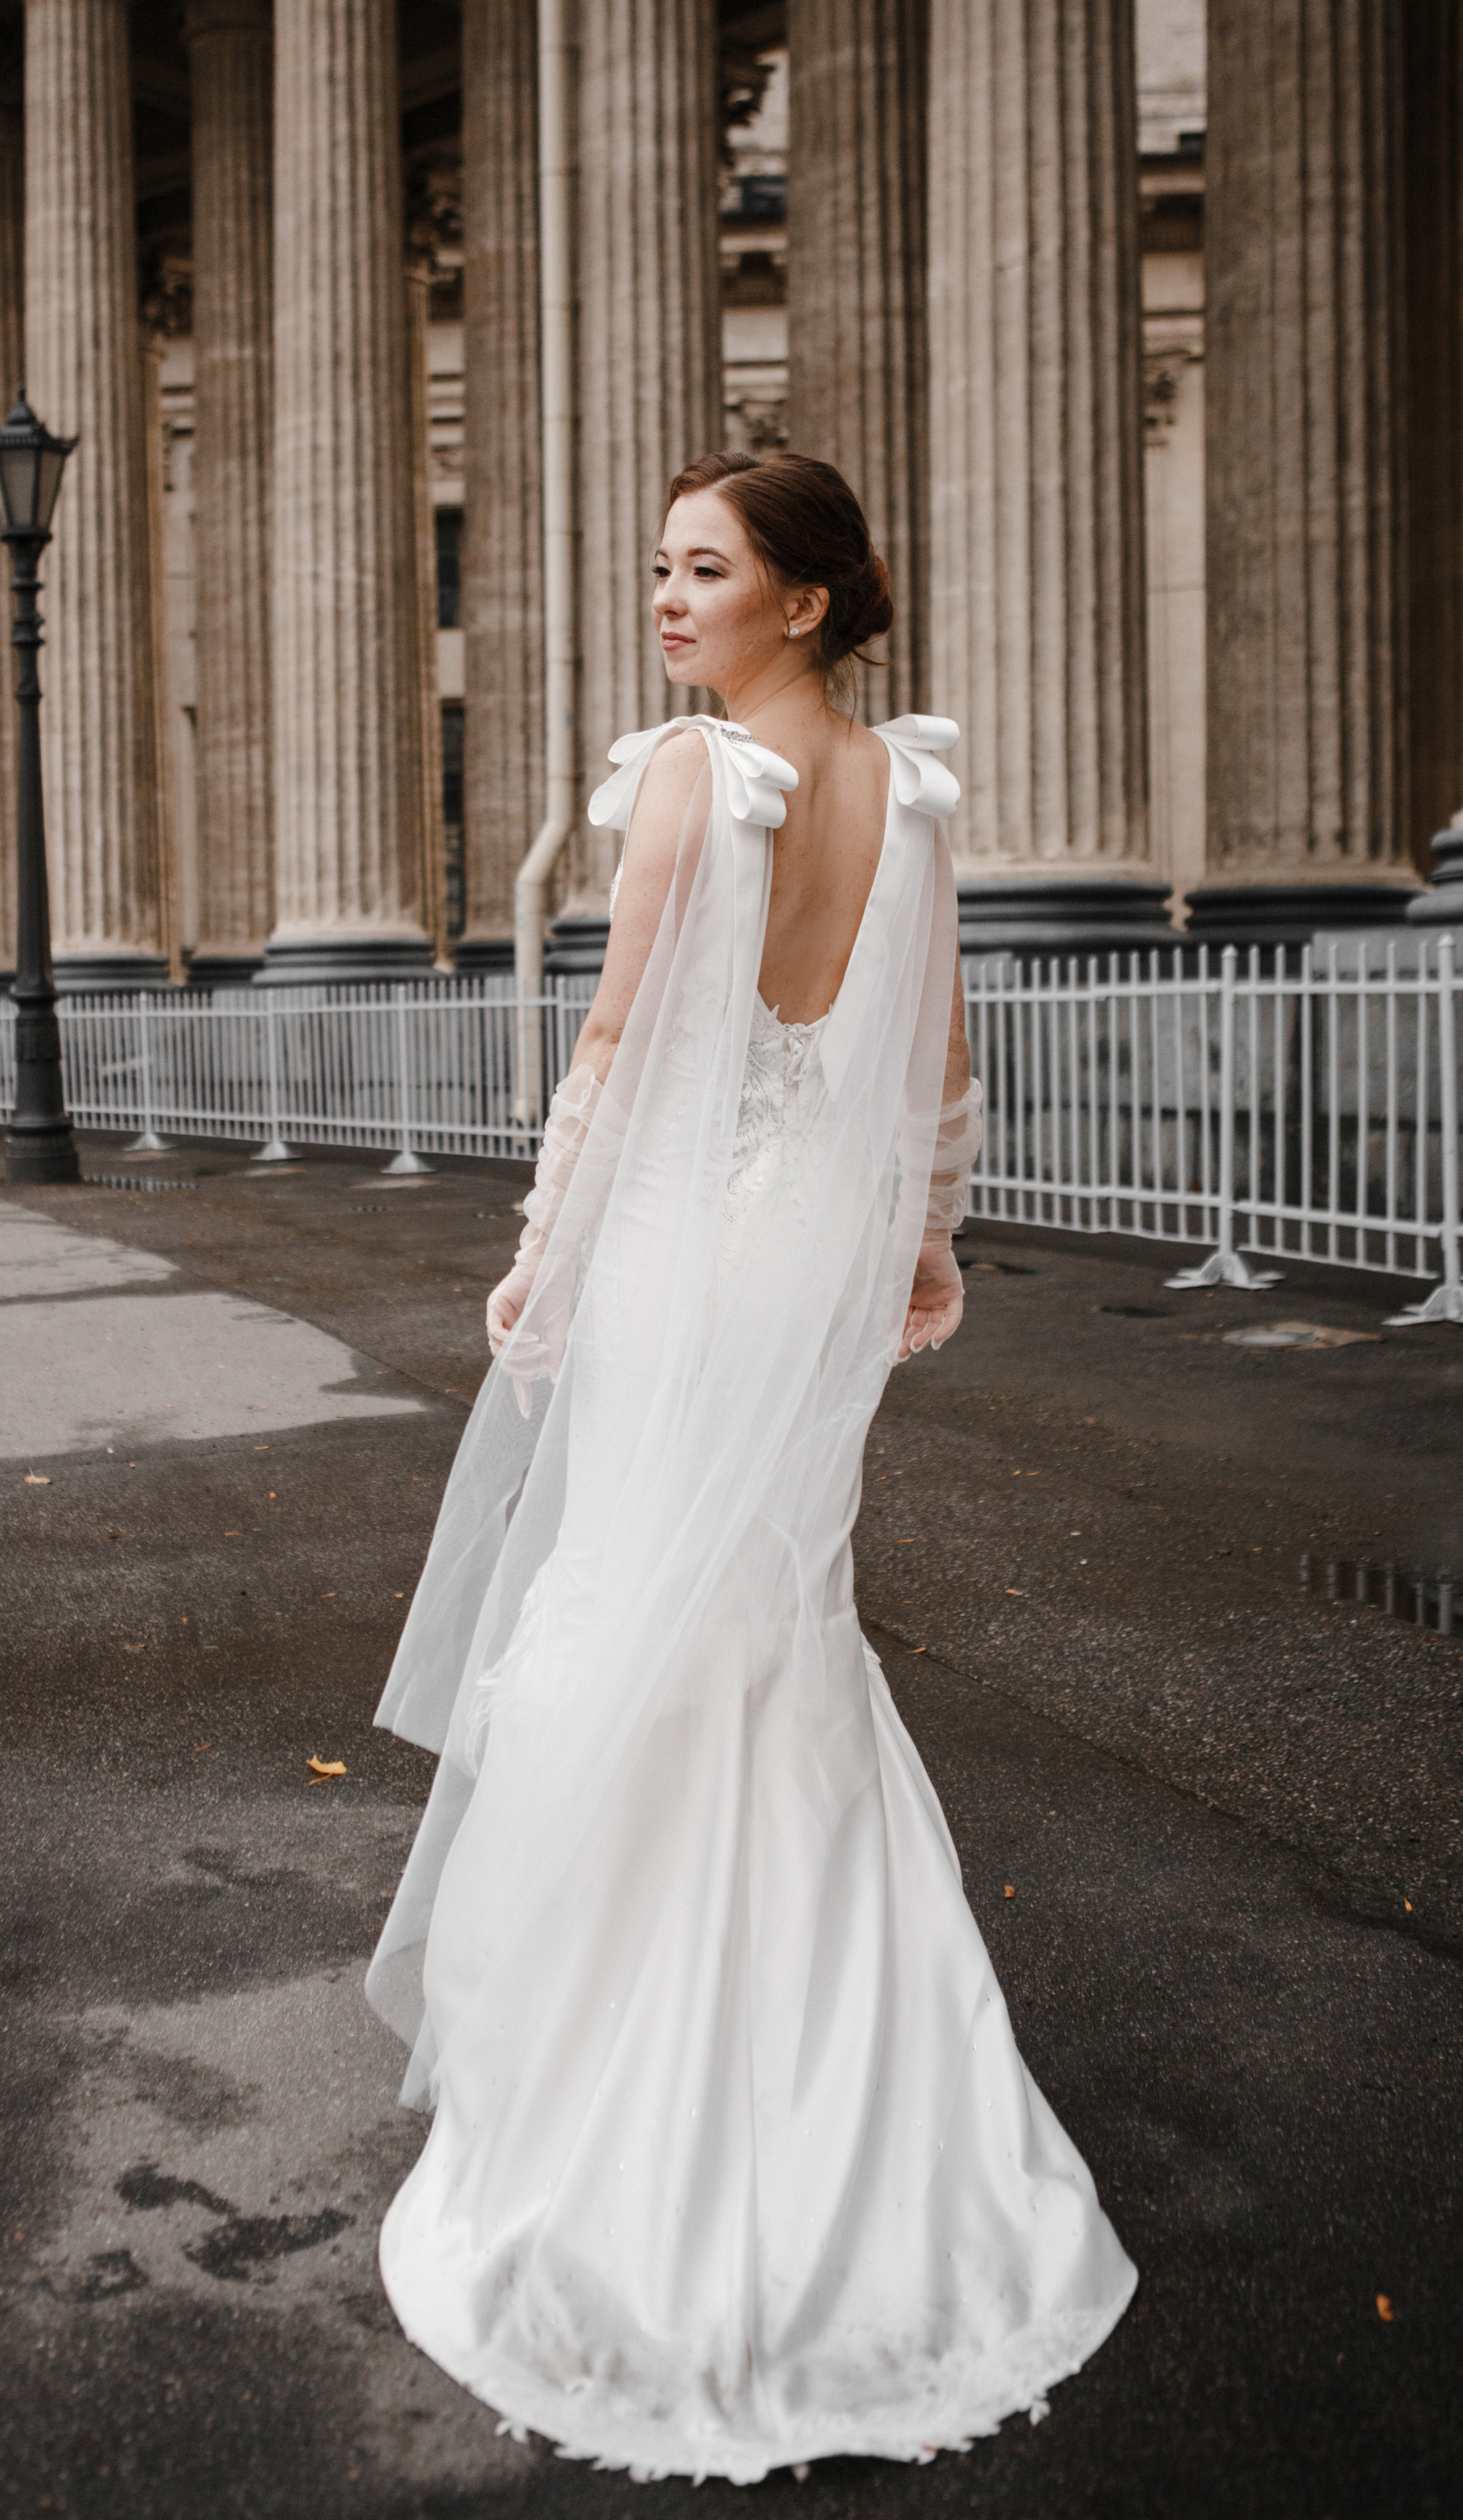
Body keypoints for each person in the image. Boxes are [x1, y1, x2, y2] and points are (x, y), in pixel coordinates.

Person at [364, 451, 1137, 2483]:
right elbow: (938, 1061)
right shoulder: (913, 788)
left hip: (685, 1257)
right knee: (775, 1615)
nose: (668, 599)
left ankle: (627, 2101)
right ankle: (855, 2098)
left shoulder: (697, 777)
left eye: (704, 569)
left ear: (805, 598)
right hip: (808, 1257)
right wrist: (928, 1234)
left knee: (635, 1602)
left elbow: (614, 1050)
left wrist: (541, 1261)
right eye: (661, 567)